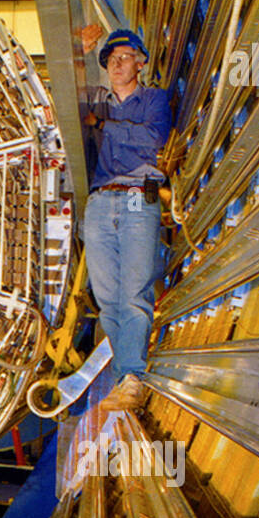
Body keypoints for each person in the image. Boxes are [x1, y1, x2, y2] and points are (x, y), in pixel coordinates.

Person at [81, 28, 173, 411]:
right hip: (101, 201)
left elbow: (153, 140)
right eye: (110, 59)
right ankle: (124, 378)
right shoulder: (94, 99)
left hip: (139, 197)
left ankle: (132, 376)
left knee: (134, 292)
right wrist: (81, 52)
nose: (117, 63)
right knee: (107, 299)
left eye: (125, 56)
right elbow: (60, 105)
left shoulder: (154, 99)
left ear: (141, 61)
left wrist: (102, 126)